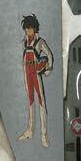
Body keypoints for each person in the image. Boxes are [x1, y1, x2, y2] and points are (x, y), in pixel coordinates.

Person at [18, 14, 53, 147]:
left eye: (30, 28)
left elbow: (49, 54)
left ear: (35, 28)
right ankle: (30, 131)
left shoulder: (40, 42)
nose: (28, 30)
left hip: (36, 74)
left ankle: (44, 135)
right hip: (26, 73)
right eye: (26, 28)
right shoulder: (24, 41)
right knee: (30, 101)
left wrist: (48, 68)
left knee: (41, 101)